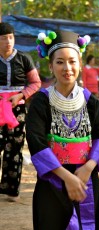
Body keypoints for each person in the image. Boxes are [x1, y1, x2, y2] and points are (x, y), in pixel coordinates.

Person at [26, 30, 99, 229]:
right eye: (60, 62)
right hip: (52, 179)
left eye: (72, 61)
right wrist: (66, 177)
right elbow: (36, 142)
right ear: (50, 66)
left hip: (86, 178)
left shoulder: (90, 101)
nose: (67, 68)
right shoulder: (41, 101)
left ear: (80, 64)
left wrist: (88, 168)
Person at [0, 22, 41, 202]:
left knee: (15, 148)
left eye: (11, 37)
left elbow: (36, 83)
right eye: (3, 38)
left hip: (17, 109)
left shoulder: (24, 58)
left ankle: (11, 190)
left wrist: (20, 95)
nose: (8, 41)